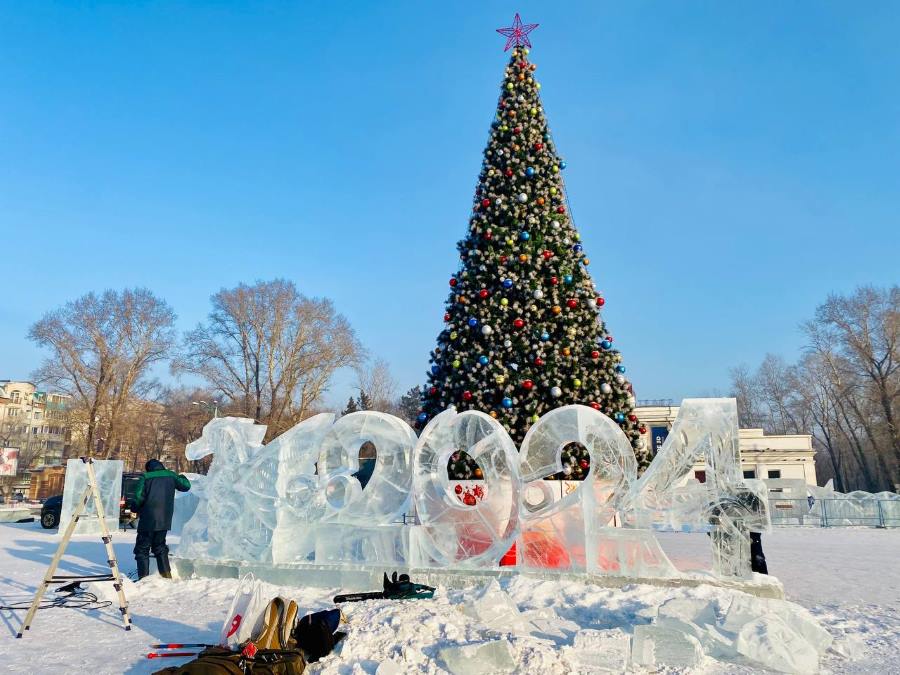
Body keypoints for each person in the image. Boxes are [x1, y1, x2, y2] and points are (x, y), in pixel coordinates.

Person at [133, 459, 191, 579]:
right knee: (160, 547)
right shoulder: (171, 475)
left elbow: (138, 497)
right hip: (164, 520)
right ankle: (166, 576)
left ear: (148, 468)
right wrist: (182, 476)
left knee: (142, 549)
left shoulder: (146, 477)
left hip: (148, 519)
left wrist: (134, 508)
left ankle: (143, 578)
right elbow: (186, 486)